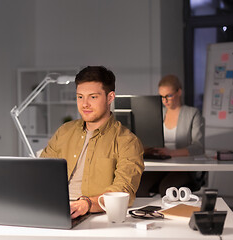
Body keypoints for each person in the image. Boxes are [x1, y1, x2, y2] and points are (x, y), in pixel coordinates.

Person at [40, 66, 144, 219]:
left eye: (93, 97)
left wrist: (87, 204)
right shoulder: (64, 131)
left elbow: (123, 190)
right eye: (80, 97)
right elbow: (42, 171)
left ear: (110, 97)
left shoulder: (128, 142)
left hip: (92, 214)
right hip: (53, 209)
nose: (85, 104)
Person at [136, 74, 205, 197]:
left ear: (179, 92)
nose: (164, 101)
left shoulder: (192, 113)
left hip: (182, 167)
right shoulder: (158, 113)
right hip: (160, 165)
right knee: (139, 185)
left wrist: (171, 153)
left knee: (167, 189)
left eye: (168, 96)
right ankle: (148, 214)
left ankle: (170, 215)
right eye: (161, 97)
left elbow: (198, 147)